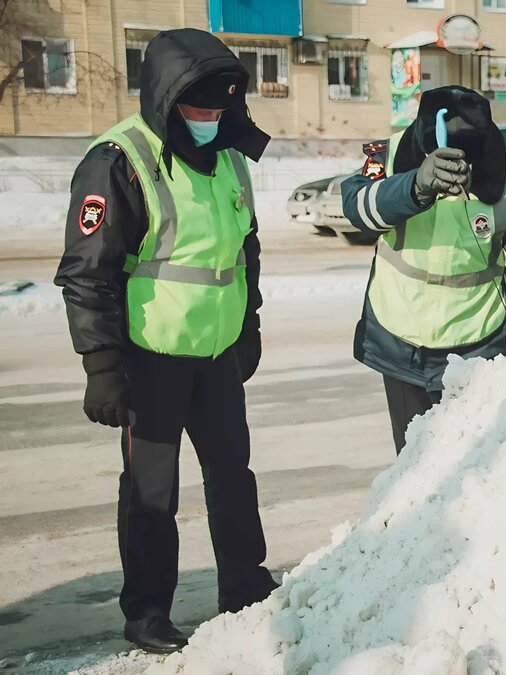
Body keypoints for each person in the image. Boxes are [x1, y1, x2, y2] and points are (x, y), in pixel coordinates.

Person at [54, 28, 278, 654]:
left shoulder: (231, 155)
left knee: (233, 476)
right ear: (164, 98)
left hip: (217, 357)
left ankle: (245, 584)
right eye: (197, 108)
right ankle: (148, 611)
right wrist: (100, 362)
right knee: (152, 493)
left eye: (219, 109)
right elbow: (86, 272)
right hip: (148, 359)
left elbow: (243, 252)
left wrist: (248, 326)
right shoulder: (119, 160)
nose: (210, 119)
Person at [341, 86, 506, 454]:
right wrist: (416, 185)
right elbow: (358, 210)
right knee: (414, 464)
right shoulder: (390, 156)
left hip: (479, 345)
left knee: (471, 463)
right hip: (401, 340)